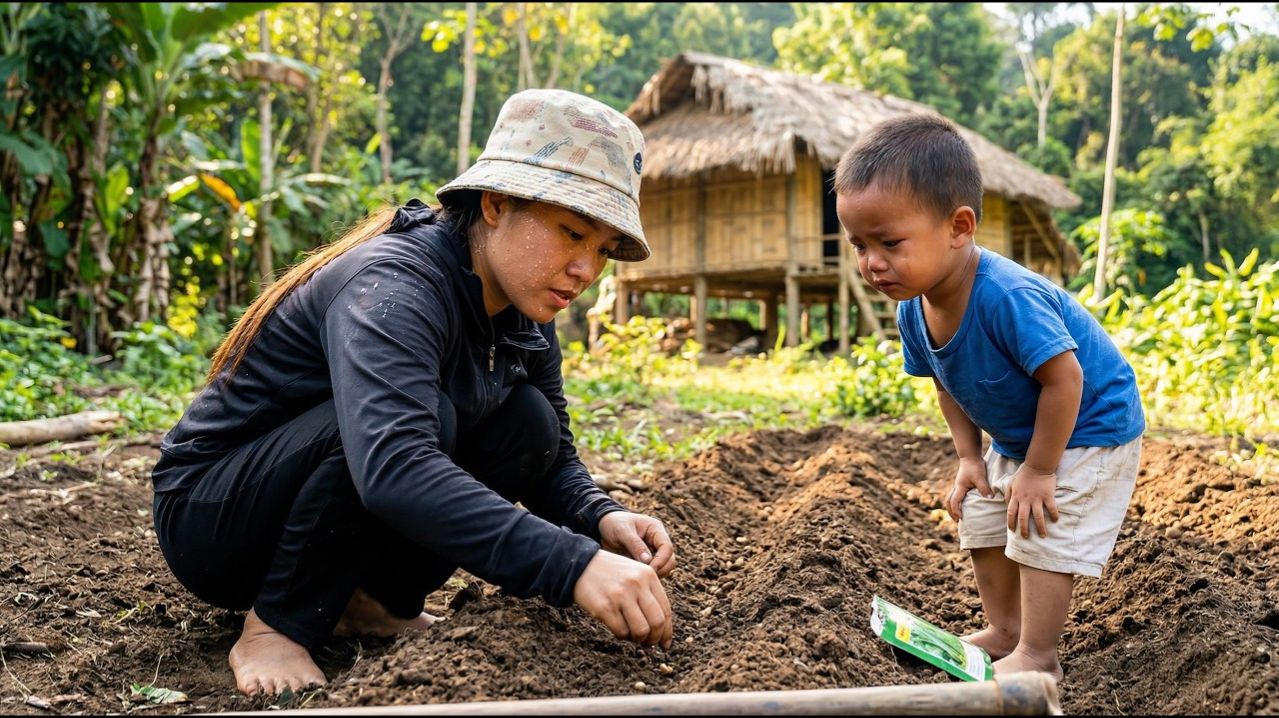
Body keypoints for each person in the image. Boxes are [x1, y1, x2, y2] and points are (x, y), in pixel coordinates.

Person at [151, 88, 677, 697]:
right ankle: (275, 626)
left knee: (529, 423)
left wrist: (599, 515)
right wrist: (573, 564)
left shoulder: (526, 312)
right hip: (217, 515)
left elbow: (552, 454)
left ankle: (374, 603)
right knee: (419, 422)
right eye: (571, 233)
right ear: (497, 204)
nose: (586, 270)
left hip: (327, 497)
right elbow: (393, 464)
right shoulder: (396, 286)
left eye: (603, 251)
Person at [833, 114, 1145, 682]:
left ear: (958, 226)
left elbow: (1065, 380)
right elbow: (946, 383)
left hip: (1089, 427)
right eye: (859, 245)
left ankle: (1038, 653)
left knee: (1036, 521)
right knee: (982, 508)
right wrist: (970, 459)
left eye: (889, 242)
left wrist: (1041, 471)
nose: (872, 263)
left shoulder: (1006, 296)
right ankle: (1004, 630)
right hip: (1022, 432)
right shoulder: (913, 309)